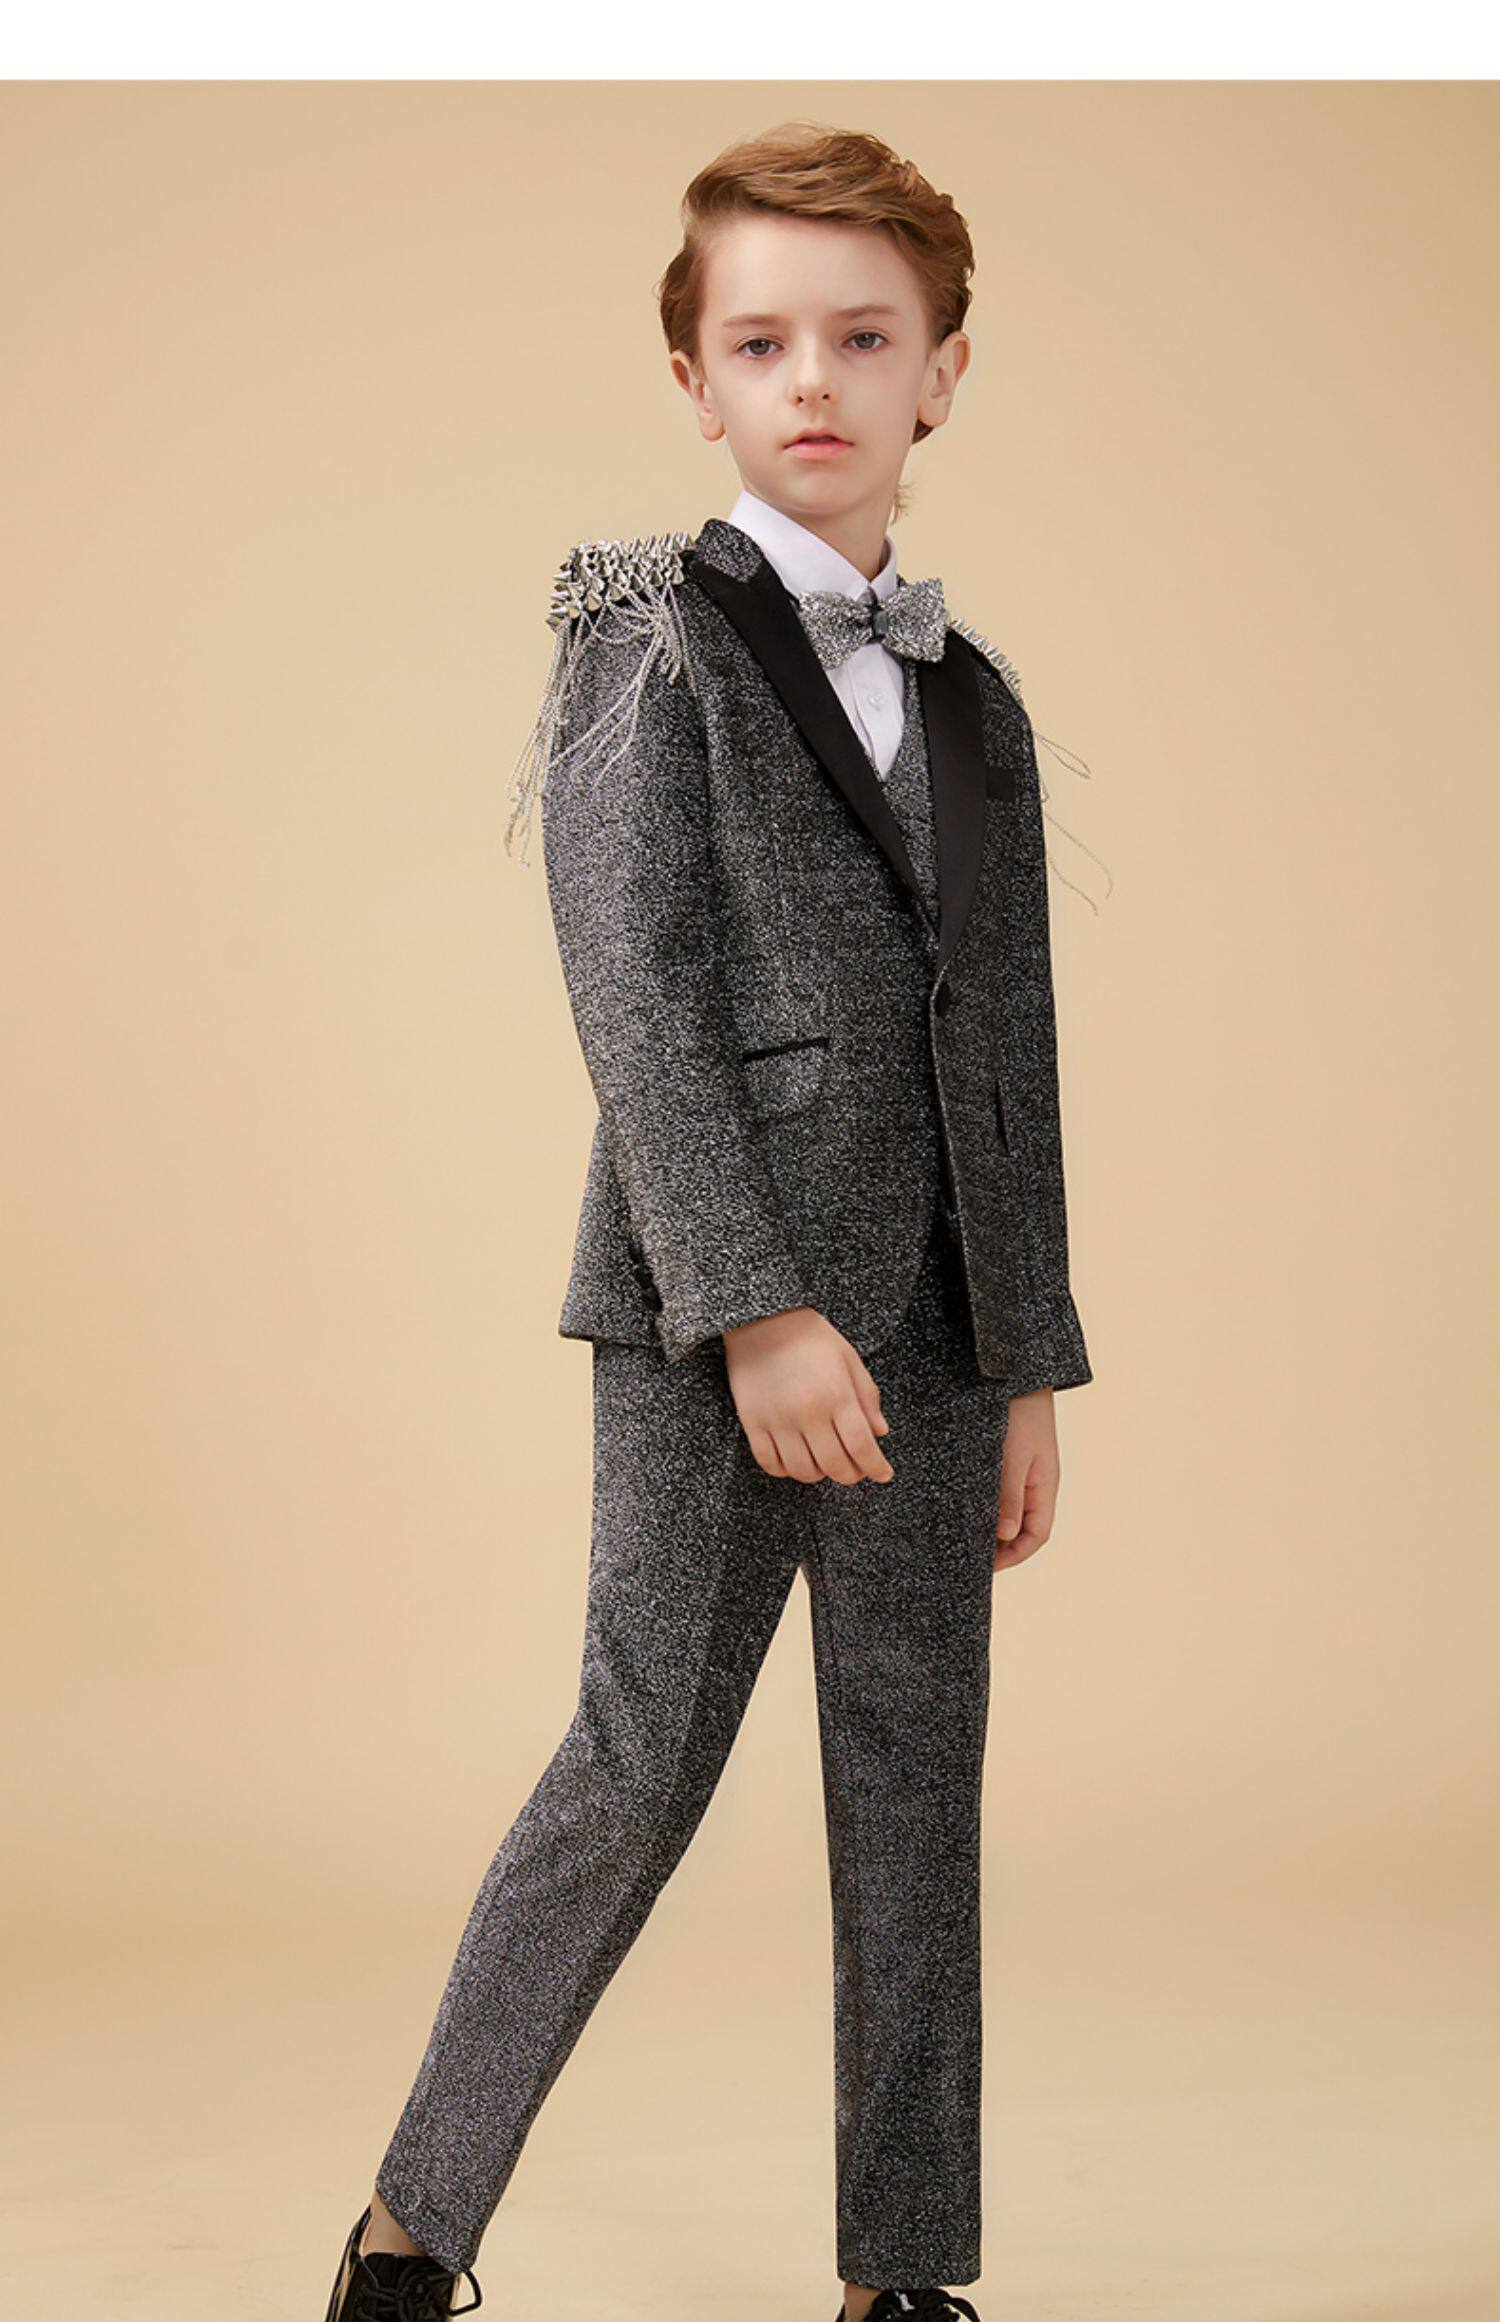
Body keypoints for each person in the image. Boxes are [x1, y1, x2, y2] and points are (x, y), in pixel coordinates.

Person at [323, 120, 1094, 2322]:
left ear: (944, 372)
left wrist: (1028, 1355)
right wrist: (752, 1305)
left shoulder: (973, 694)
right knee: (641, 1749)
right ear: (695, 382)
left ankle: (902, 2275)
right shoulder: (638, 636)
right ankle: (408, 2234)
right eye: (760, 343)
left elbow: (1010, 1041)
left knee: (916, 1786)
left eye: (864, 337)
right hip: (710, 1303)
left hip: (938, 1318)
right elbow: (633, 986)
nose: (812, 380)